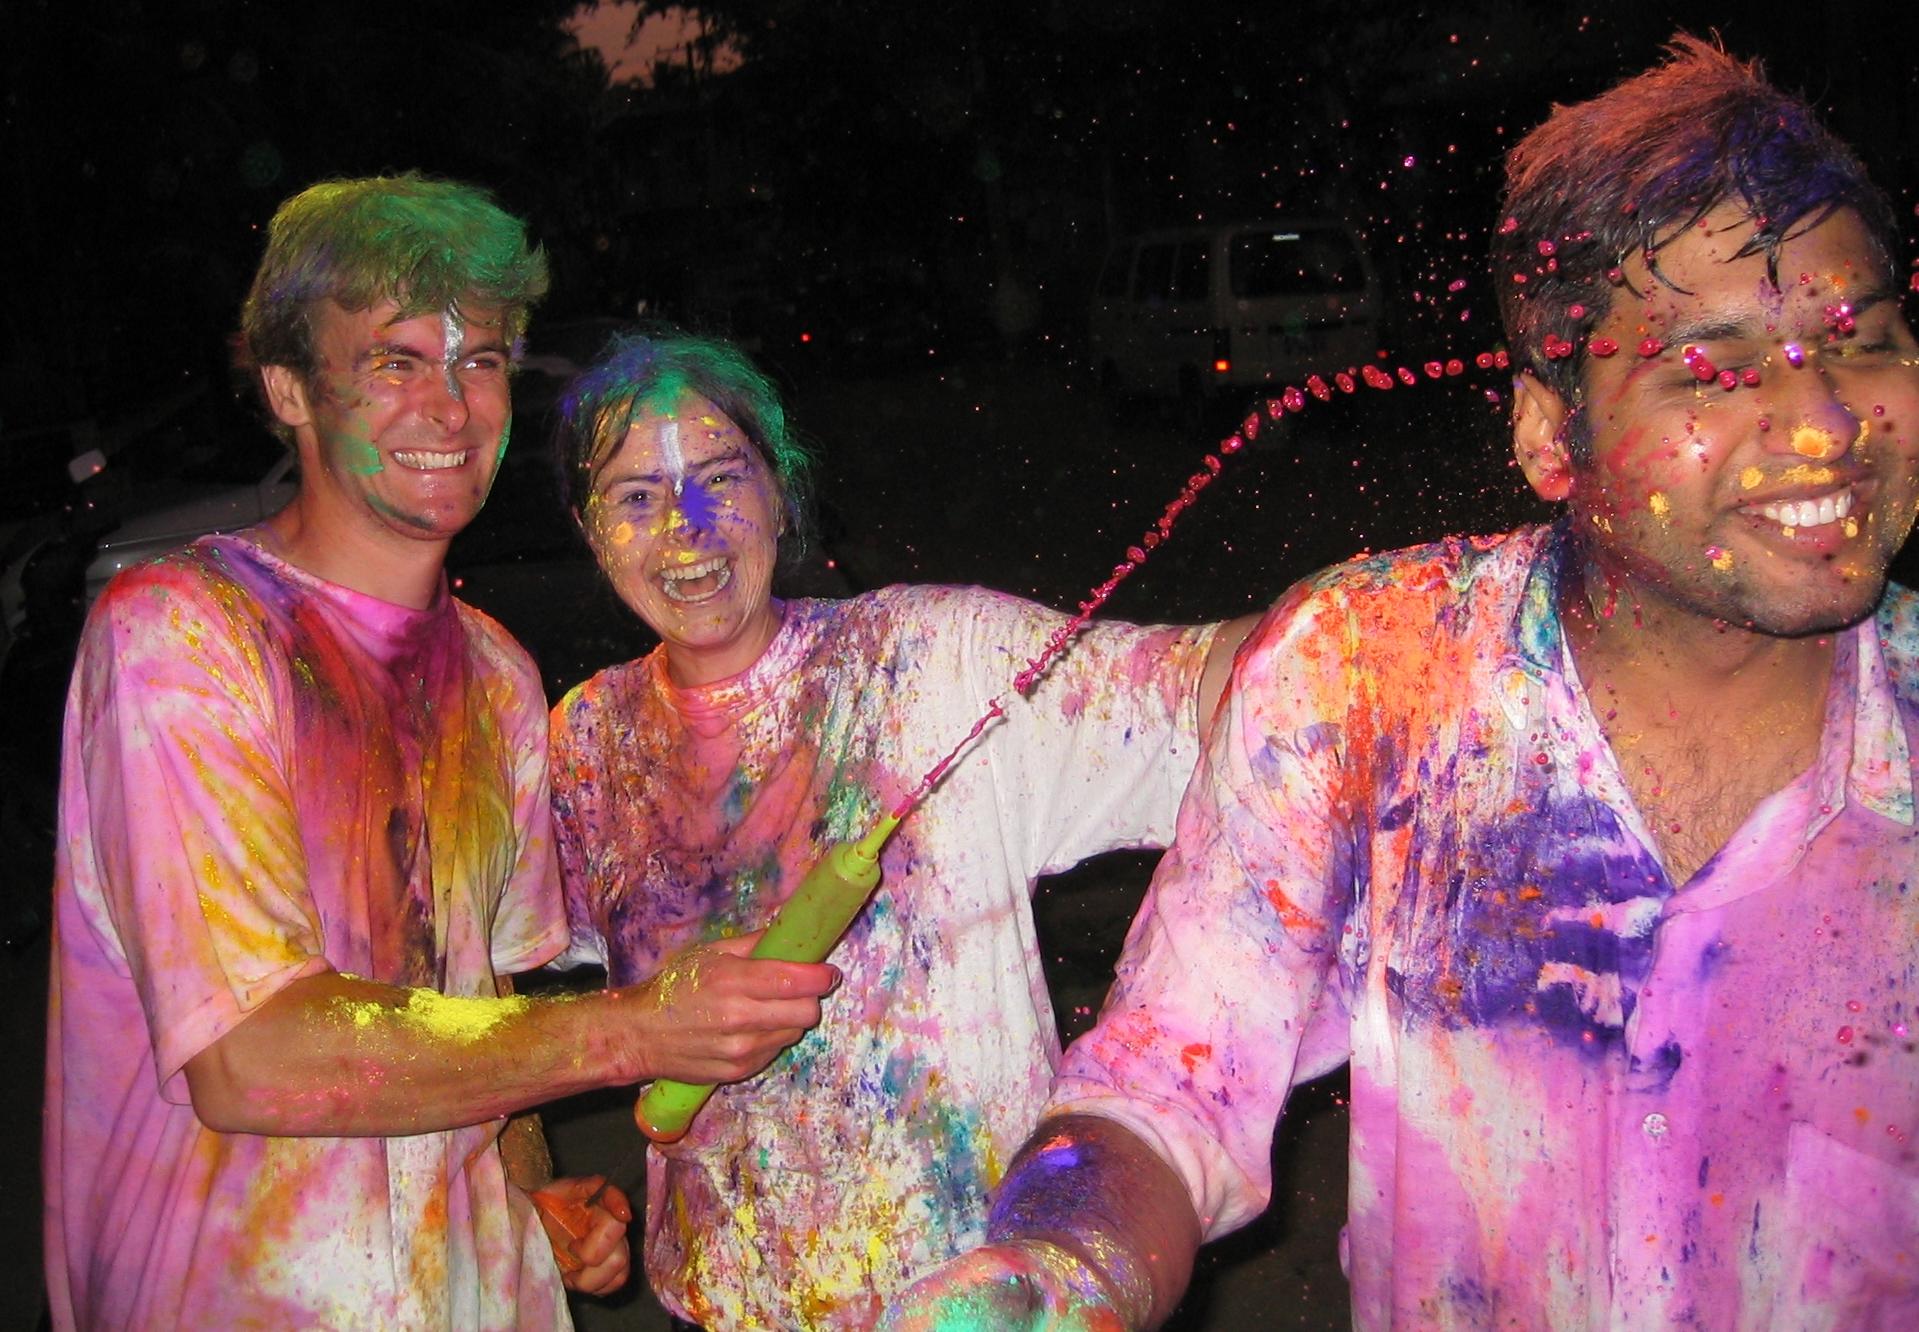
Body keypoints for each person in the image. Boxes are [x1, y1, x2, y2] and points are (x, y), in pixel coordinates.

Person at [885, 36, 1919, 1331]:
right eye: (1705, 365)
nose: (1824, 424)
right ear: (1548, 430)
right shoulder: (1372, 676)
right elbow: (1162, 1089)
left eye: (1861, 338)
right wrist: (1052, 1273)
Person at [43, 176, 839, 1330]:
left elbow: (479, 991)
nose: (452, 407)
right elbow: (250, 1057)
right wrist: (636, 1027)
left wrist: (526, 1196)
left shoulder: (497, 673)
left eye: (478, 361)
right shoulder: (184, 633)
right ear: (287, 390)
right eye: (395, 361)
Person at [546, 330, 1254, 1330]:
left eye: (718, 477)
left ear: (780, 489)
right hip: (715, 1306)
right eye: (634, 497)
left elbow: (1200, 688)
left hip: (977, 1304)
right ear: (589, 530)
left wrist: (1383, 629)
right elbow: (478, 983)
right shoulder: (582, 740)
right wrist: (519, 1185)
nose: (687, 528)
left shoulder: (931, 660)